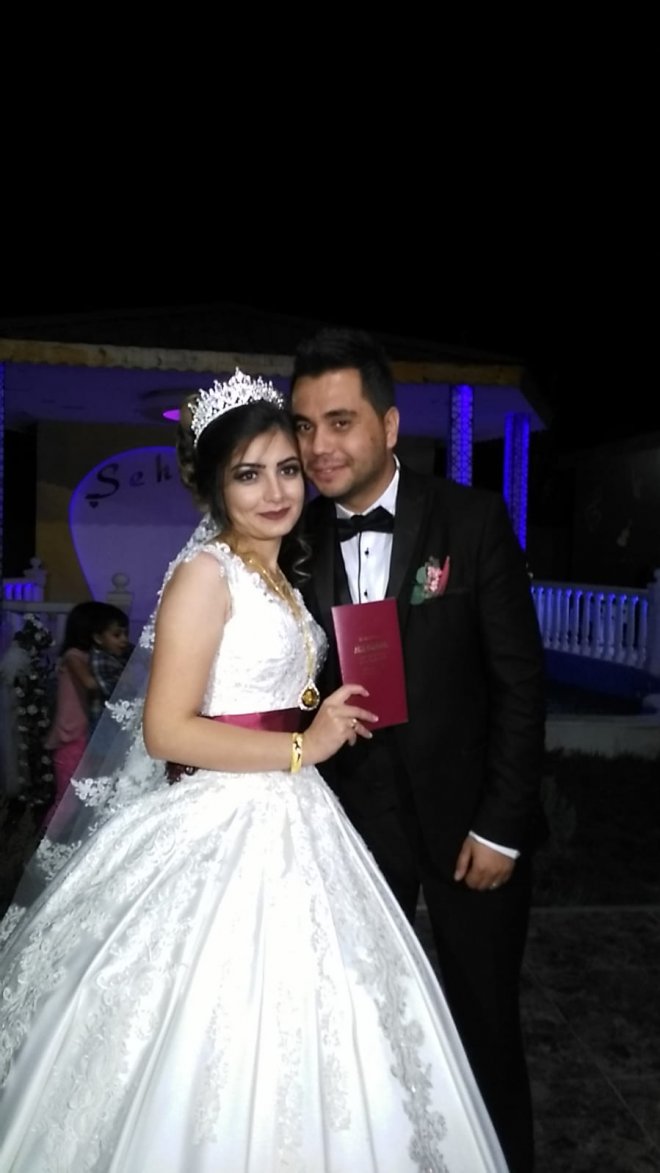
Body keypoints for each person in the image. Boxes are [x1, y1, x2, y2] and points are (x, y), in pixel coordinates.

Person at [0, 370, 508, 1173]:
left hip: (300, 815)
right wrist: (305, 746)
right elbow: (168, 729)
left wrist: (324, 716)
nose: (274, 491)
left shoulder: (284, 574)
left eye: (287, 469)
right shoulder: (206, 575)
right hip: (228, 824)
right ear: (214, 485)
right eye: (248, 473)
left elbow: (269, 697)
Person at [290, 328, 546, 1173]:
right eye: (305, 426)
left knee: (485, 1028)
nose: (319, 446)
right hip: (353, 838)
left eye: (340, 422)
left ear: (389, 425)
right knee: (367, 1033)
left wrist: (502, 824)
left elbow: (519, 684)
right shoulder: (295, 541)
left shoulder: (471, 520)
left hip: (473, 829)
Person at [42, 601, 104, 826]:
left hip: (82, 735)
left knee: (81, 797)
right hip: (71, 736)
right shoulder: (73, 656)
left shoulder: (86, 657)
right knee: (67, 800)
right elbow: (90, 684)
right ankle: (48, 842)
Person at [88, 603, 133, 728]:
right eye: (117, 635)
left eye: (126, 634)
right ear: (98, 638)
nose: (124, 639)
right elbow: (111, 691)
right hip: (105, 720)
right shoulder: (100, 659)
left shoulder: (119, 652)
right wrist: (128, 681)